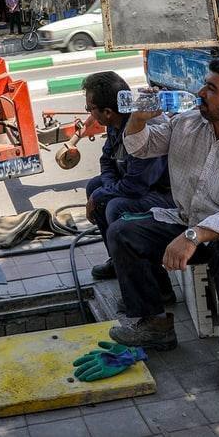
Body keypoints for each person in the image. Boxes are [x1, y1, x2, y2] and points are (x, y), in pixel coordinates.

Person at [107, 60, 219, 402]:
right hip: (188, 221)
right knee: (122, 233)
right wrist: (140, 117)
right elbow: (140, 147)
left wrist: (193, 236)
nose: (200, 93)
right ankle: (155, 324)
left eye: (211, 89)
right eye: (205, 85)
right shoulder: (187, 123)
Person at [82, 72, 174, 295]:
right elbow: (107, 160)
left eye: (89, 109)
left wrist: (102, 195)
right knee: (95, 187)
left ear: (107, 111)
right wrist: (102, 191)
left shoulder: (144, 125)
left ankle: (157, 288)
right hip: (141, 185)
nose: (89, 114)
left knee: (115, 206)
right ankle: (120, 261)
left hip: (167, 194)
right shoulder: (115, 121)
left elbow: (135, 186)